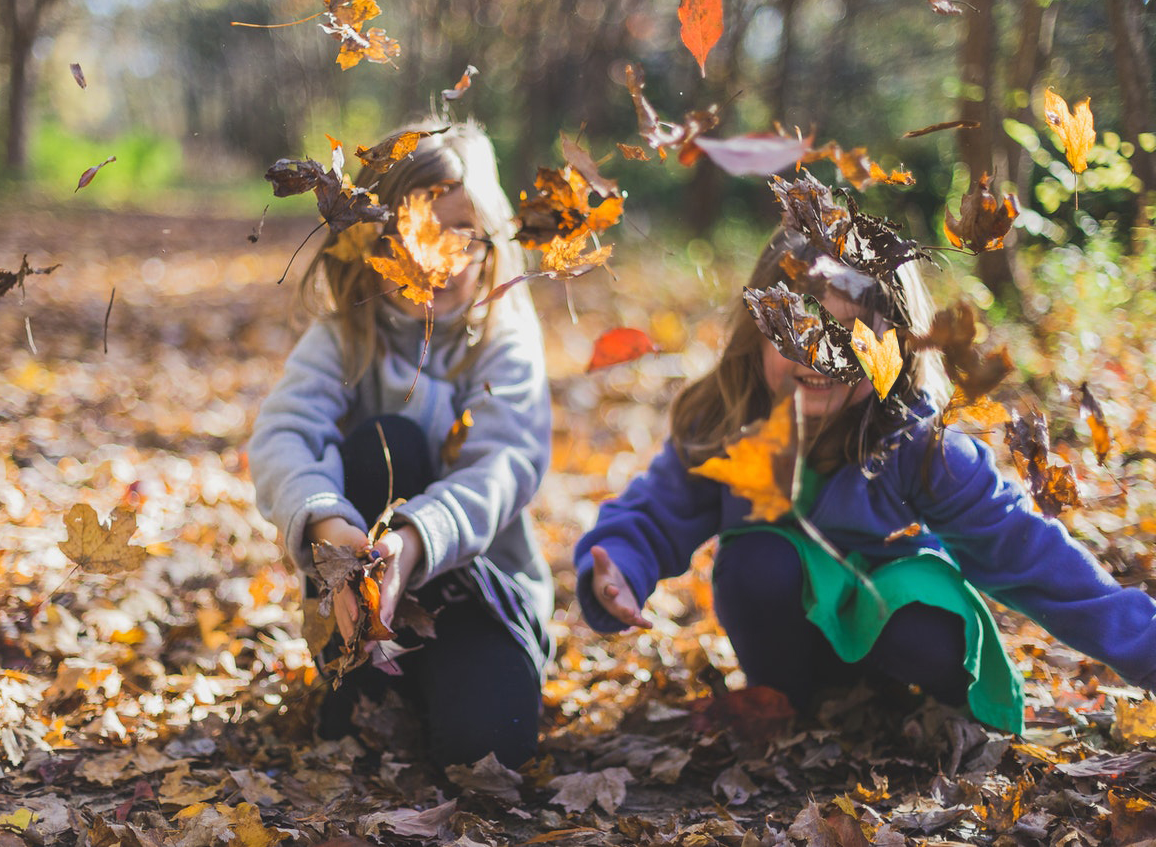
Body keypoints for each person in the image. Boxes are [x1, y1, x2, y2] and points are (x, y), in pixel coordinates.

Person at [575, 215, 1156, 736]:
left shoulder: (921, 445)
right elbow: (655, 512)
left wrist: (1147, 649)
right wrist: (622, 565)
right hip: (789, 635)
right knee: (755, 562)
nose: (818, 357)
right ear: (758, 331)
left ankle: (912, 707)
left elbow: (1030, 555)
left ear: (895, 349)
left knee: (918, 615)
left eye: (847, 336)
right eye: (795, 330)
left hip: (903, 631)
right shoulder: (728, 421)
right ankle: (791, 703)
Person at [249, 119, 552, 768]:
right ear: (370, 241)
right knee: (388, 440)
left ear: (489, 238)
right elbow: (283, 434)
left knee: (489, 753)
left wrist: (413, 543)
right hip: (360, 597)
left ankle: (453, 684)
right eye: (411, 232)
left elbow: (505, 464)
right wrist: (329, 522)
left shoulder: (502, 338)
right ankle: (360, 677)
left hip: (478, 595)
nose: (433, 258)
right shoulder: (344, 337)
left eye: (457, 234)